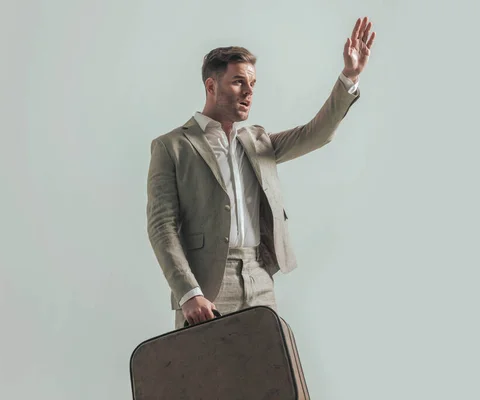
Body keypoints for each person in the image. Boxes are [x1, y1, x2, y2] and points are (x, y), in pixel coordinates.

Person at [146, 17, 376, 329]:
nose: (248, 92)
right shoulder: (172, 146)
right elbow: (162, 226)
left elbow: (316, 133)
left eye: (252, 84)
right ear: (211, 86)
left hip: (259, 276)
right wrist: (188, 293)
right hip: (207, 285)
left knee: (267, 374)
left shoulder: (258, 142)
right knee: (207, 376)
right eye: (239, 82)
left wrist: (349, 76)